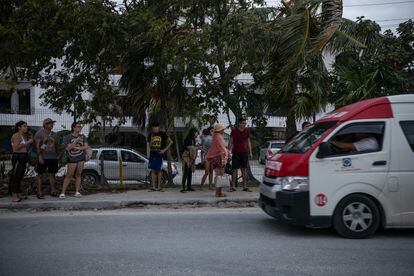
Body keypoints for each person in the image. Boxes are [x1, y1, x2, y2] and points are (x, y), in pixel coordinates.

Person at [59, 122, 88, 199]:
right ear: (74, 128)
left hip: (81, 157)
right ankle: (62, 193)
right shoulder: (68, 137)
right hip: (71, 158)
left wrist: (77, 148)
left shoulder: (83, 137)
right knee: (69, 175)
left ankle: (77, 192)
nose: (80, 128)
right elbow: (68, 148)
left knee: (78, 175)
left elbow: (85, 147)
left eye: (80, 126)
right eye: (78, 126)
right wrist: (76, 140)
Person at [34, 118, 60, 199]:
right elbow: (37, 146)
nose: (52, 125)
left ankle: (53, 191)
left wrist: (58, 155)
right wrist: (39, 156)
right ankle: (39, 192)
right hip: (43, 157)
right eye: (49, 123)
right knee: (40, 174)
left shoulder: (54, 134)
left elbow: (57, 145)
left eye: (52, 123)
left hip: (53, 157)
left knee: (52, 174)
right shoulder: (39, 133)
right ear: (45, 125)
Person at [10, 121, 33, 202]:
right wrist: (27, 142)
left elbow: (25, 147)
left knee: (20, 176)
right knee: (15, 176)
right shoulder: (16, 135)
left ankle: (19, 193)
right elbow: (16, 147)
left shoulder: (24, 136)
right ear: (19, 127)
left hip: (23, 156)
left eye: (26, 126)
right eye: (24, 126)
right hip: (17, 156)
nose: (26, 127)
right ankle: (14, 195)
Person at [147, 121, 173, 192]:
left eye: (156, 127)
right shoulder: (150, 134)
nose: (155, 129)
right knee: (152, 170)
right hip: (152, 154)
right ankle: (153, 187)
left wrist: (164, 150)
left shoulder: (162, 134)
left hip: (159, 155)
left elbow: (171, 142)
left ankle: (159, 187)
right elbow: (149, 145)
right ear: (152, 128)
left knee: (159, 171)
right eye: (154, 127)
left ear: (159, 127)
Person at [228, 118, 252, 192]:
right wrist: (228, 151)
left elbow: (248, 141)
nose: (244, 125)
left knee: (244, 169)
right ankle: (233, 186)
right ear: (239, 123)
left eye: (245, 123)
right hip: (236, 152)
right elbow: (231, 141)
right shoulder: (234, 131)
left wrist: (250, 151)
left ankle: (245, 186)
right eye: (243, 123)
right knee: (234, 169)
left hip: (244, 152)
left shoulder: (247, 131)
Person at [206, 123, 230, 197]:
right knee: (220, 175)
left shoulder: (215, 136)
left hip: (215, 157)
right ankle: (219, 192)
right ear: (220, 130)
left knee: (218, 175)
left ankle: (218, 192)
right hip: (220, 157)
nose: (223, 130)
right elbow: (222, 148)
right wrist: (226, 155)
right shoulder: (218, 137)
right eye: (222, 129)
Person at [180, 128, 198, 193]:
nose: (197, 134)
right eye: (196, 132)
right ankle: (182, 187)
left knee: (190, 172)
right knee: (185, 172)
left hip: (191, 158)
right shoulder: (188, 139)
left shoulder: (193, 140)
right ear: (193, 132)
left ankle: (189, 186)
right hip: (186, 157)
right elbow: (185, 147)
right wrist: (192, 148)